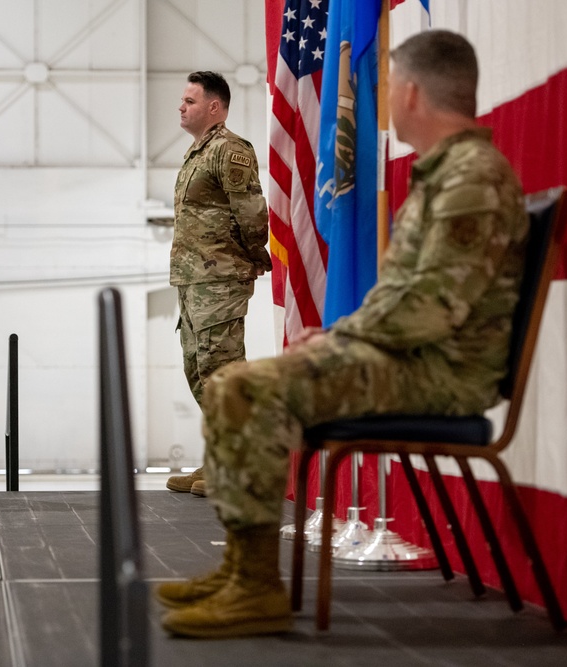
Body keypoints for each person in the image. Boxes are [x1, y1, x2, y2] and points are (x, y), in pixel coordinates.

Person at [157, 30, 529, 638]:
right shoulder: (448, 174)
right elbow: (407, 299)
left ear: (409, 92)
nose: (380, 100)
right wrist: (338, 336)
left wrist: (336, 337)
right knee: (233, 385)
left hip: (440, 374)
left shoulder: (470, 179)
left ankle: (254, 585)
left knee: (240, 389)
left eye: (386, 87)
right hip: (412, 359)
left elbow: (428, 310)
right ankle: (242, 572)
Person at [167, 71, 272, 496]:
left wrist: (252, 255)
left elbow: (252, 214)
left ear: (214, 106)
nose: (181, 106)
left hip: (220, 279)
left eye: (190, 100)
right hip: (194, 281)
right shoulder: (196, 154)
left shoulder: (229, 150)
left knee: (221, 372)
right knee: (199, 371)